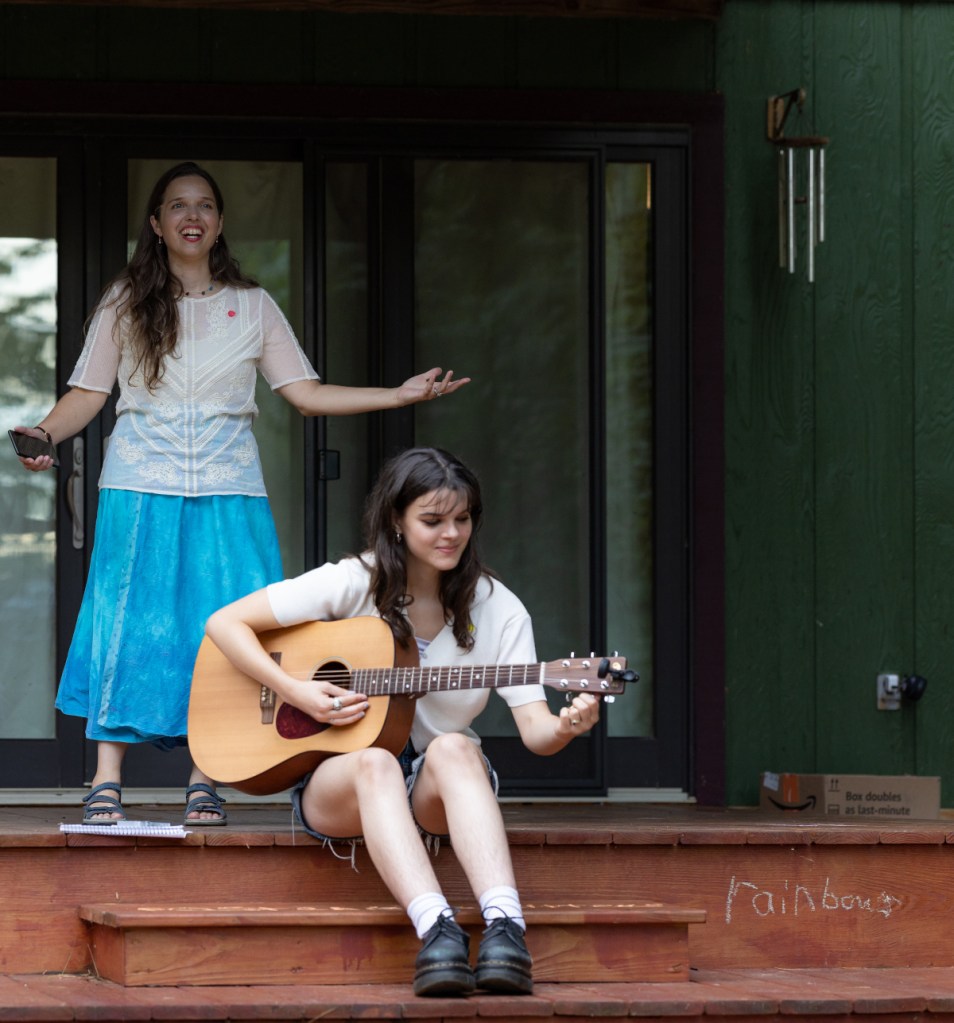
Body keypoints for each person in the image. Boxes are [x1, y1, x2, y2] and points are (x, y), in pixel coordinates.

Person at [12, 162, 468, 828]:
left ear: (220, 222)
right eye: (177, 206)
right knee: (131, 624)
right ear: (157, 224)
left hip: (232, 490)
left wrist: (396, 395)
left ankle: (208, 777)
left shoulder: (252, 305)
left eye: (203, 205)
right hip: (140, 486)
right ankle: (106, 776)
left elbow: (305, 393)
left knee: (234, 625)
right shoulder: (123, 300)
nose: (191, 216)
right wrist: (45, 434)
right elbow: (89, 393)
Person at [204, 446, 601, 997]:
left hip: (436, 790)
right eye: (433, 521)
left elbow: (536, 731)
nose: (451, 534)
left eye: (462, 519)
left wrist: (566, 727)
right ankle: (437, 930)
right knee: (375, 762)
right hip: (343, 783)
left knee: (456, 747)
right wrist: (296, 691)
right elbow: (224, 624)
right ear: (397, 519)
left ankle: (507, 929)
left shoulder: (497, 607)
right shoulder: (355, 581)